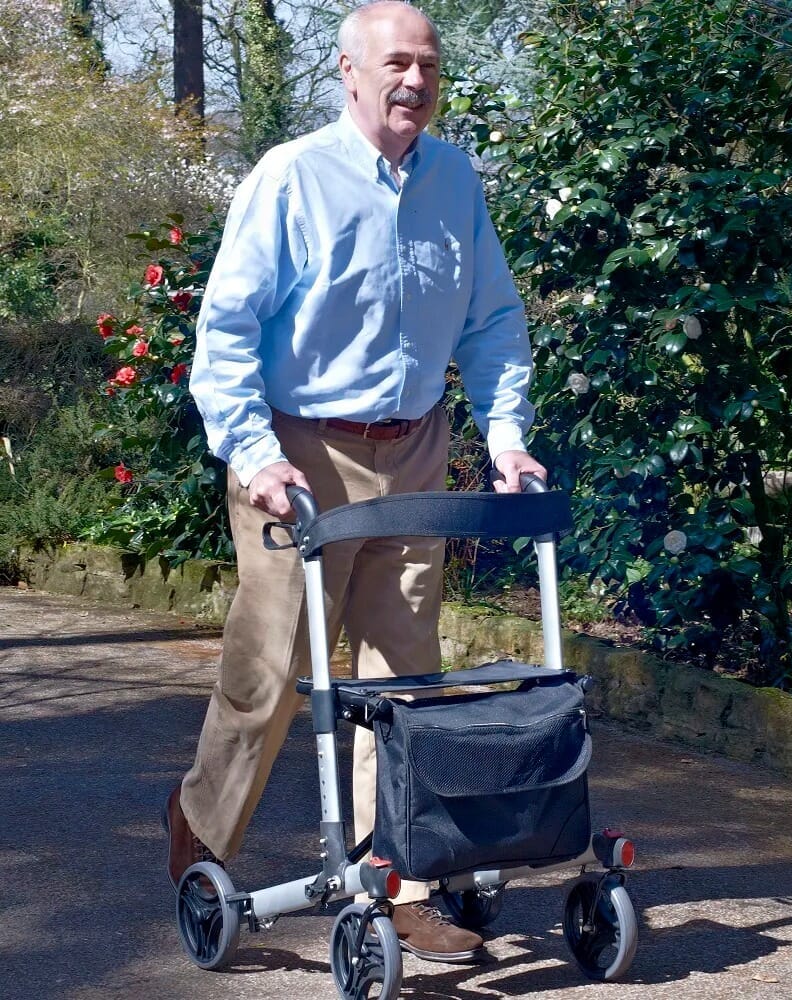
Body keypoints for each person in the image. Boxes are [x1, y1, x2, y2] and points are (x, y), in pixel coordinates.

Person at [161, 0, 546, 964]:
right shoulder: (291, 177)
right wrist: (252, 454)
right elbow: (228, 332)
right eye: (395, 64)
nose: (414, 81)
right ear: (348, 71)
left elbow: (493, 322)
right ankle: (201, 832)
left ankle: (400, 877)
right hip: (301, 454)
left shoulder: (455, 177)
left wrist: (505, 437)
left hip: (414, 446)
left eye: (427, 65)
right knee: (274, 674)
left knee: (405, 683)